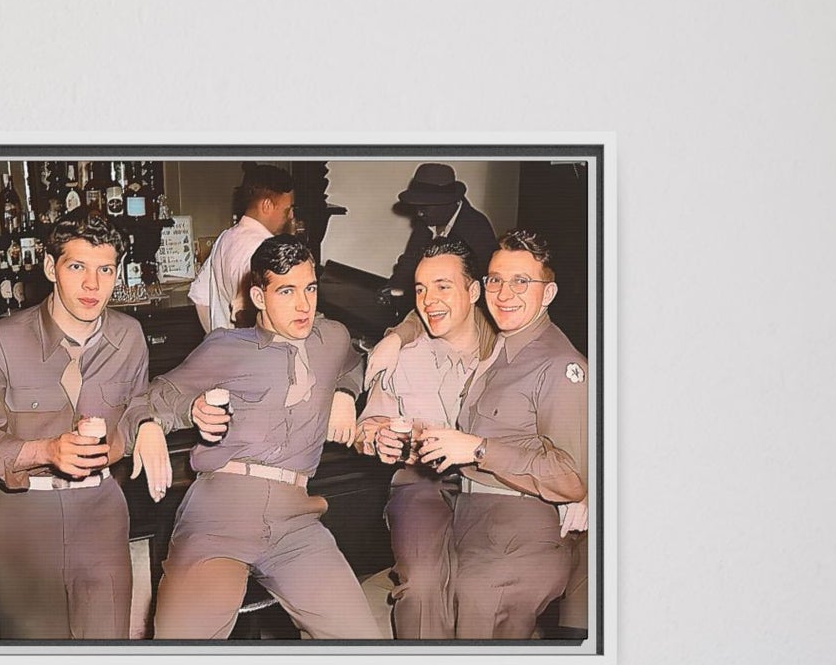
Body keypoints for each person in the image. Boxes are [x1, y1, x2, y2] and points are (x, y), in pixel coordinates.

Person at [147, 234, 388, 640]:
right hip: (219, 514)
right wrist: (158, 422)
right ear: (258, 296)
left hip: (296, 522)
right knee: (180, 652)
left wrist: (345, 394)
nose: (303, 305)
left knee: (361, 642)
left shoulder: (332, 338)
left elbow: (355, 363)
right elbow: (157, 395)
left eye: (310, 289)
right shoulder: (225, 345)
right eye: (287, 291)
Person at [0, 218, 164, 639]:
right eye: (76, 267)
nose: (92, 285)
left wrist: (148, 424)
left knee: (107, 652)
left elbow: (137, 405)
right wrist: (46, 451)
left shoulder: (130, 336)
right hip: (22, 517)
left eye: (105, 270)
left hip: (101, 511)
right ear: (50, 268)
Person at [413, 229, 589, 640]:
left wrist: (478, 449)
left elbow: (572, 478)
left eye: (520, 282)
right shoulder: (503, 344)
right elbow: (432, 302)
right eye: (496, 280)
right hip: (470, 520)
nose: (504, 293)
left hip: (517, 532)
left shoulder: (559, 365)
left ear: (548, 294)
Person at [354, 237, 496, 640]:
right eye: (421, 288)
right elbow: (369, 425)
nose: (428, 300)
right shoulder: (403, 354)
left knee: (486, 585)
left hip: (491, 488)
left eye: (442, 286)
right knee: (421, 582)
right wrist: (374, 437)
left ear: (474, 291)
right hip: (420, 486)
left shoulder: (505, 351)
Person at [188, 163, 297, 333]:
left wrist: (215, 339)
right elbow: (244, 313)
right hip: (255, 355)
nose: (291, 216)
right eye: (287, 209)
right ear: (267, 206)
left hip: (225, 351)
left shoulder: (225, 237)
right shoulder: (266, 249)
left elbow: (200, 296)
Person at [382, 163, 498, 314]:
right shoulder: (428, 220)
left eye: (425, 206)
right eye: (417, 207)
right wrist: (392, 288)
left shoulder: (477, 230)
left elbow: (483, 287)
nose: (419, 213)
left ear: (449, 202)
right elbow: (410, 261)